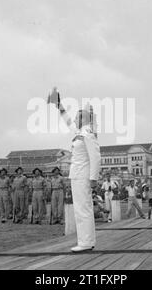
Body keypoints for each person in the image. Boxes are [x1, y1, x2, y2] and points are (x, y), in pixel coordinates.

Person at [51, 91, 101, 252]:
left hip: (83, 176)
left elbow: (96, 157)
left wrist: (94, 178)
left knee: (83, 209)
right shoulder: (80, 132)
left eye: (77, 117)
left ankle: (86, 242)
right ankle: (86, 240)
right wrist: (59, 106)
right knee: (81, 209)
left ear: (83, 119)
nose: (74, 120)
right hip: (77, 175)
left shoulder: (87, 133)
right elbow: (68, 123)